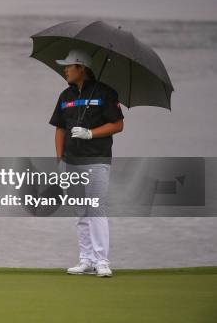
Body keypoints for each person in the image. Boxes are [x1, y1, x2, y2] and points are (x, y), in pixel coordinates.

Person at [48, 49, 124, 278]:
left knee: (96, 209)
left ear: (81, 68)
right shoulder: (65, 96)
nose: (65, 70)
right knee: (80, 211)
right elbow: (60, 128)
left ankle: (102, 261)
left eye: (69, 66)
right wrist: (59, 159)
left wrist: (90, 133)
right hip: (71, 162)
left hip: (97, 161)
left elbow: (118, 125)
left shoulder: (105, 93)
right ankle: (86, 259)